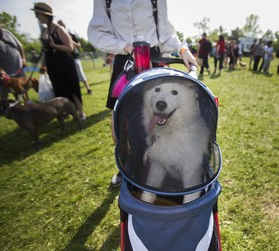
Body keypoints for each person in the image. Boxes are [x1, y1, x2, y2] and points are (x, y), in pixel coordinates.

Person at [87, 0, 197, 188]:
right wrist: (126, 46)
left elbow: (166, 33)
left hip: (153, 61)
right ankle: (127, 167)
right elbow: (97, 32)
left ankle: (162, 168)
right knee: (120, 126)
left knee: (161, 121)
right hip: (125, 61)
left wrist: (183, 49)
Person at [31, 3, 86, 120]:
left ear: (45, 15)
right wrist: (43, 63)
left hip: (64, 62)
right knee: (59, 88)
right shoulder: (45, 31)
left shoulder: (59, 29)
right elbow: (45, 50)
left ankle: (80, 112)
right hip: (52, 64)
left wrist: (54, 45)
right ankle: (66, 110)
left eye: (38, 14)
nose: (37, 17)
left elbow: (70, 47)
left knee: (71, 87)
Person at [0, 18, 26, 100]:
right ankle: (4, 108)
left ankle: (23, 106)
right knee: (4, 92)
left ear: (1, 26)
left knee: (20, 89)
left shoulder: (7, 32)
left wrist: (23, 59)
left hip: (19, 69)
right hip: (4, 72)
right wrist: (0, 70)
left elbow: (19, 46)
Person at [58, 20, 93, 95]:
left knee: (81, 73)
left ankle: (88, 88)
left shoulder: (71, 35)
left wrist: (70, 40)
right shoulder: (57, 37)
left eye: (62, 25)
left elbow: (79, 45)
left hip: (74, 57)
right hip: (65, 59)